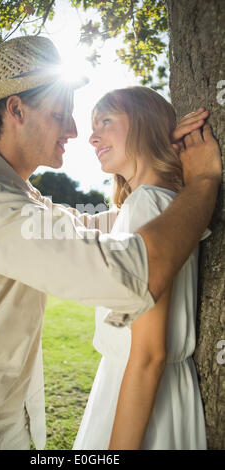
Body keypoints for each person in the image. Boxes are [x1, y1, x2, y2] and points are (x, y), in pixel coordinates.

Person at [0, 36, 221, 450]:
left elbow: (94, 226)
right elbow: (132, 272)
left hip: (3, 428)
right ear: (16, 109)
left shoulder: (18, 196)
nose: (76, 130)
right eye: (61, 113)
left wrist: (157, 165)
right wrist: (204, 182)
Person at [73, 87, 213, 450]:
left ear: (145, 126)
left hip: (139, 398)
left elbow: (149, 355)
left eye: (106, 120)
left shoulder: (147, 205)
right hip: (152, 392)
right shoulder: (167, 206)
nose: (91, 136)